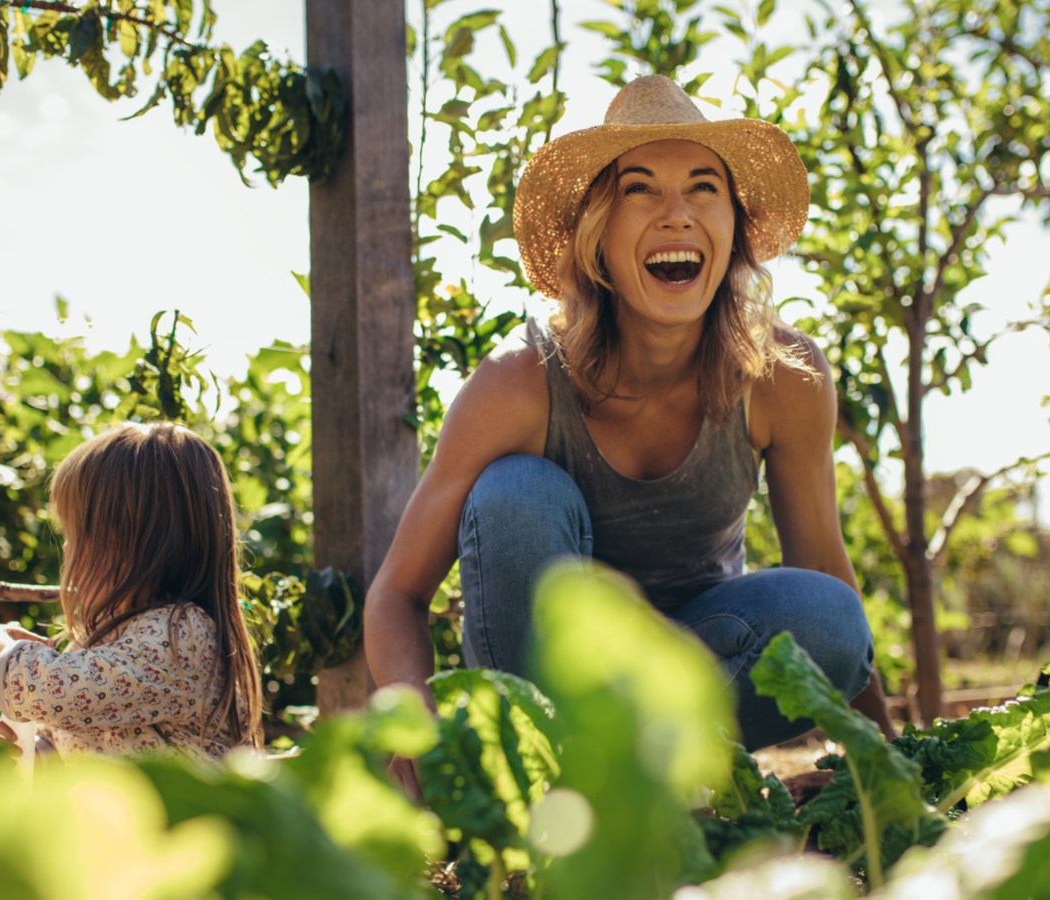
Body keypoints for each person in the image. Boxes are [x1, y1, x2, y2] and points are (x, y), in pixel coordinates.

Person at [363, 75, 894, 799]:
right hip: (542, 691)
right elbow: (395, 593)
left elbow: (827, 571)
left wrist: (889, 764)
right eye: (641, 190)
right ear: (597, 238)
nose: (677, 214)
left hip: (700, 667)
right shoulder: (517, 385)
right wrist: (407, 702)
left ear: (733, 228)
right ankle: (548, 790)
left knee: (831, 615)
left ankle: (650, 782)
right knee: (516, 493)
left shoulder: (782, 376)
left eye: (704, 188)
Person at [0, 422, 264, 771]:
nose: (67, 547)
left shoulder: (180, 634)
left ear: (124, 543)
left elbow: (45, 690)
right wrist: (20, 753)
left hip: (194, 825)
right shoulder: (105, 637)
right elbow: (78, 741)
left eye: (74, 532)